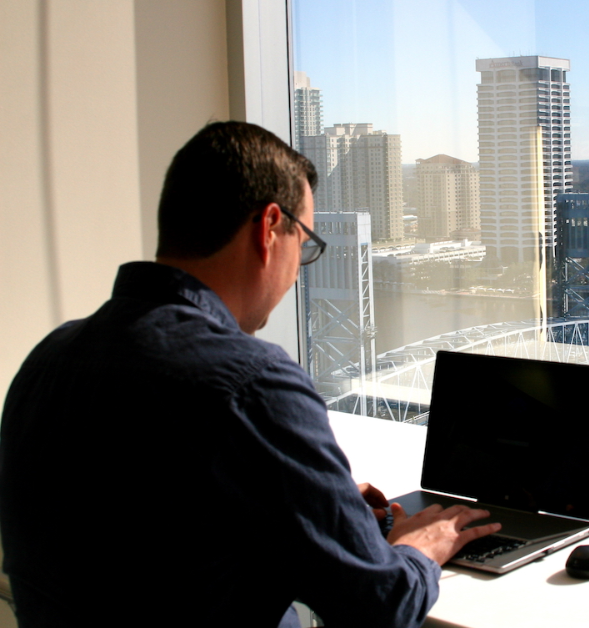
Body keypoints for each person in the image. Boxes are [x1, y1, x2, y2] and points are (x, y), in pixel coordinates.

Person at [0, 121, 500, 628]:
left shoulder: (47, 361)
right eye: (304, 243)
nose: (300, 267)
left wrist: (318, 504)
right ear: (268, 228)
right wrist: (419, 547)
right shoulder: (251, 382)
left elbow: (143, 528)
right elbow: (383, 607)